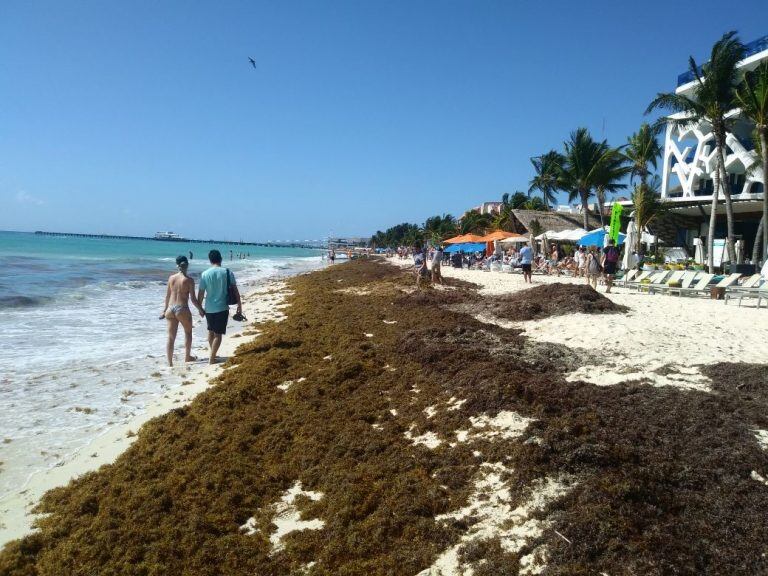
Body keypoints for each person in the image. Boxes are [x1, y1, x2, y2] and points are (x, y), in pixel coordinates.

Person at [197, 249, 242, 364]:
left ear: (210, 260)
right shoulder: (227, 272)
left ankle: (213, 354)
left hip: (209, 308)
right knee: (218, 334)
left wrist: (200, 308)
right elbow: (235, 291)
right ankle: (212, 358)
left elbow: (201, 293)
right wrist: (239, 306)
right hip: (222, 308)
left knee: (211, 331)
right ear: (220, 259)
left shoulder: (205, 274)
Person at [160, 255, 204, 367]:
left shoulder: (171, 278)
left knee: (170, 337)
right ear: (187, 265)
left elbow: (167, 296)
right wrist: (201, 309)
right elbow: (193, 299)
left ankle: (170, 363)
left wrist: (164, 310)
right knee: (188, 333)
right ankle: (187, 357)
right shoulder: (189, 280)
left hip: (170, 309)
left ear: (177, 265)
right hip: (182, 309)